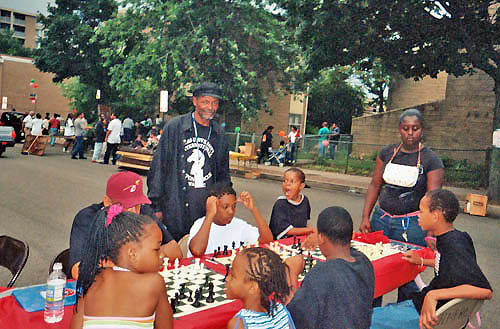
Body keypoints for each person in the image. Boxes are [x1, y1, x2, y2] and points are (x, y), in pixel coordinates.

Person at [370, 190, 492, 329]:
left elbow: (484, 290)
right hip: (432, 307)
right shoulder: (454, 237)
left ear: (435, 215)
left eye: (421, 212)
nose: (417, 216)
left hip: (433, 314)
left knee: (364, 318)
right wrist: (422, 261)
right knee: (388, 309)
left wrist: (434, 295)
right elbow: (450, 265)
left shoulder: (454, 244)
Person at [359, 108, 444, 305]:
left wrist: (431, 233)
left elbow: (433, 199)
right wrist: (365, 217)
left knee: (408, 277)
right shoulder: (387, 153)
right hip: (381, 219)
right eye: (406, 128)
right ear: (400, 129)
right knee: (375, 271)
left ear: (422, 130)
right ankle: (372, 317)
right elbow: (375, 184)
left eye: (415, 128)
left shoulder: (431, 160)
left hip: (413, 226)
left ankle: (404, 318)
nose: (410, 133)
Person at [147, 82, 231, 241]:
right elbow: (158, 168)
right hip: (175, 208)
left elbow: (223, 175)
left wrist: (225, 205)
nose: (210, 107)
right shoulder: (175, 127)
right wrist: (155, 206)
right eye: (205, 102)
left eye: (215, 103)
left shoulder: (219, 134)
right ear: (195, 101)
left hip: (205, 211)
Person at [69, 207, 173, 329]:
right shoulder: (154, 282)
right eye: (156, 249)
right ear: (132, 254)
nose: (162, 254)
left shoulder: (90, 281)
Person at [69, 171, 181, 280]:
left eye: (137, 204)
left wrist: (132, 261)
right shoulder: (87, 218)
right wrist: (143, 259)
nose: (133, 211)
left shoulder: (144, 211)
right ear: (107, 202)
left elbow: (175, 249)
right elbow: (78, 271)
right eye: (125, 205)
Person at [286, 206, 375, 329]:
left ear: (321, 238)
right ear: (351, 234)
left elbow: (295, 319)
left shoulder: (321, 274)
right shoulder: (364, 262)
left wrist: (292, 273)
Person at [187, 183, 273, 257]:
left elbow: (267, 240)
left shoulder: (239, 225)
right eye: (225, 207)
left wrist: (253, 209)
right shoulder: (200, 225)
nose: (231, 211)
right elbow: (197, 251)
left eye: (234, 206)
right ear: (213, 206)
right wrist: (210, 214)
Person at [226, 247, 296, 329]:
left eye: (233, 275)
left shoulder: (239, 325)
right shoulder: (281, 311)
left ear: (252, 287)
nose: (227, 278)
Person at [269, 168, 314, 240]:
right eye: (284, 181)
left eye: (292, 181)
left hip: (298, 240)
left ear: (301, 186)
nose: (287, 184)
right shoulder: (280, 203)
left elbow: (305, 223)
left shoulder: (305, 200)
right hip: (281, 243)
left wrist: (310, 234)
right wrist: (311, 230)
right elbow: (286, 230)